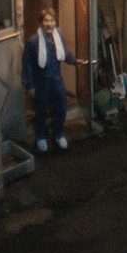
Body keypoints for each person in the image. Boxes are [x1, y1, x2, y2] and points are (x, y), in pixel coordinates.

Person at [23, 8, 82, 154]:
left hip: (56, 78)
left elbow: (65, 53)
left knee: (61, 106)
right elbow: (27, 64)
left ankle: (58, 133)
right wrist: (29, 85)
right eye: (46, 21)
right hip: (40, 80)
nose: (49, 24)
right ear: (41, 23)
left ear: (55, 22)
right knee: (41, 109)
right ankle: (41, 136)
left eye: (51, 20)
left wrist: (74, 61)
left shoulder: (59, 36)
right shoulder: (33, 42)